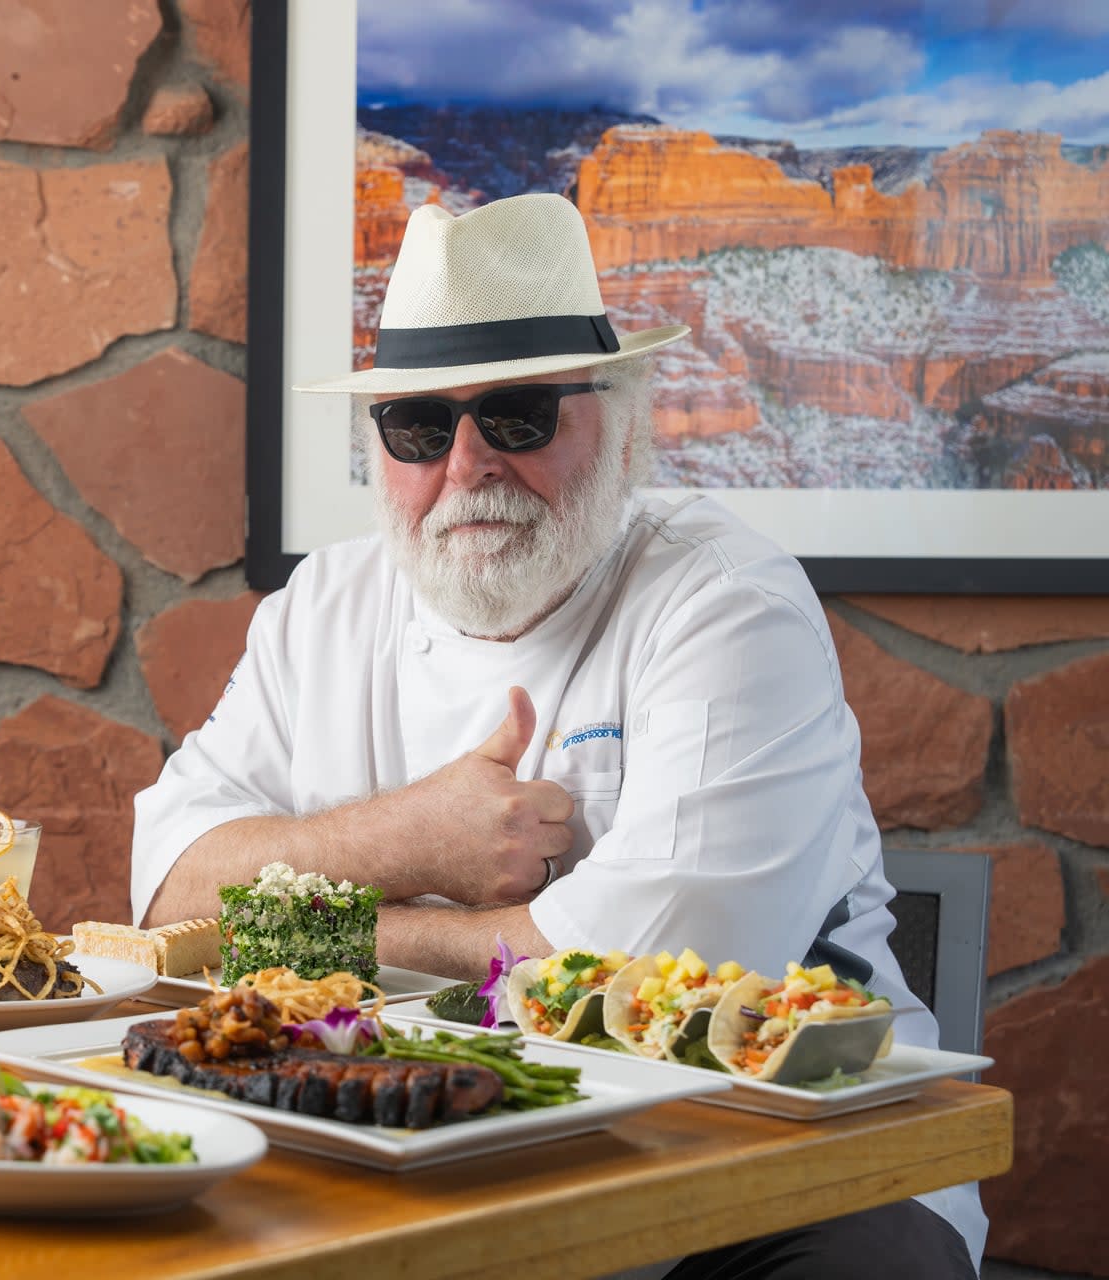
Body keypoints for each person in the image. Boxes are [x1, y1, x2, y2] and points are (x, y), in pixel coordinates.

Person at [130, 194, 982, 1276]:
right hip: (423, 1153)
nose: (470, 463)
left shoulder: (723, 600)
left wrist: (307, 928)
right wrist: (409, 842)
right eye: (421, 427)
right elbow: (164, 891)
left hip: (776, 1156)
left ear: (620, 423)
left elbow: (634, 978)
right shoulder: (322, 608)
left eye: (520, 414)